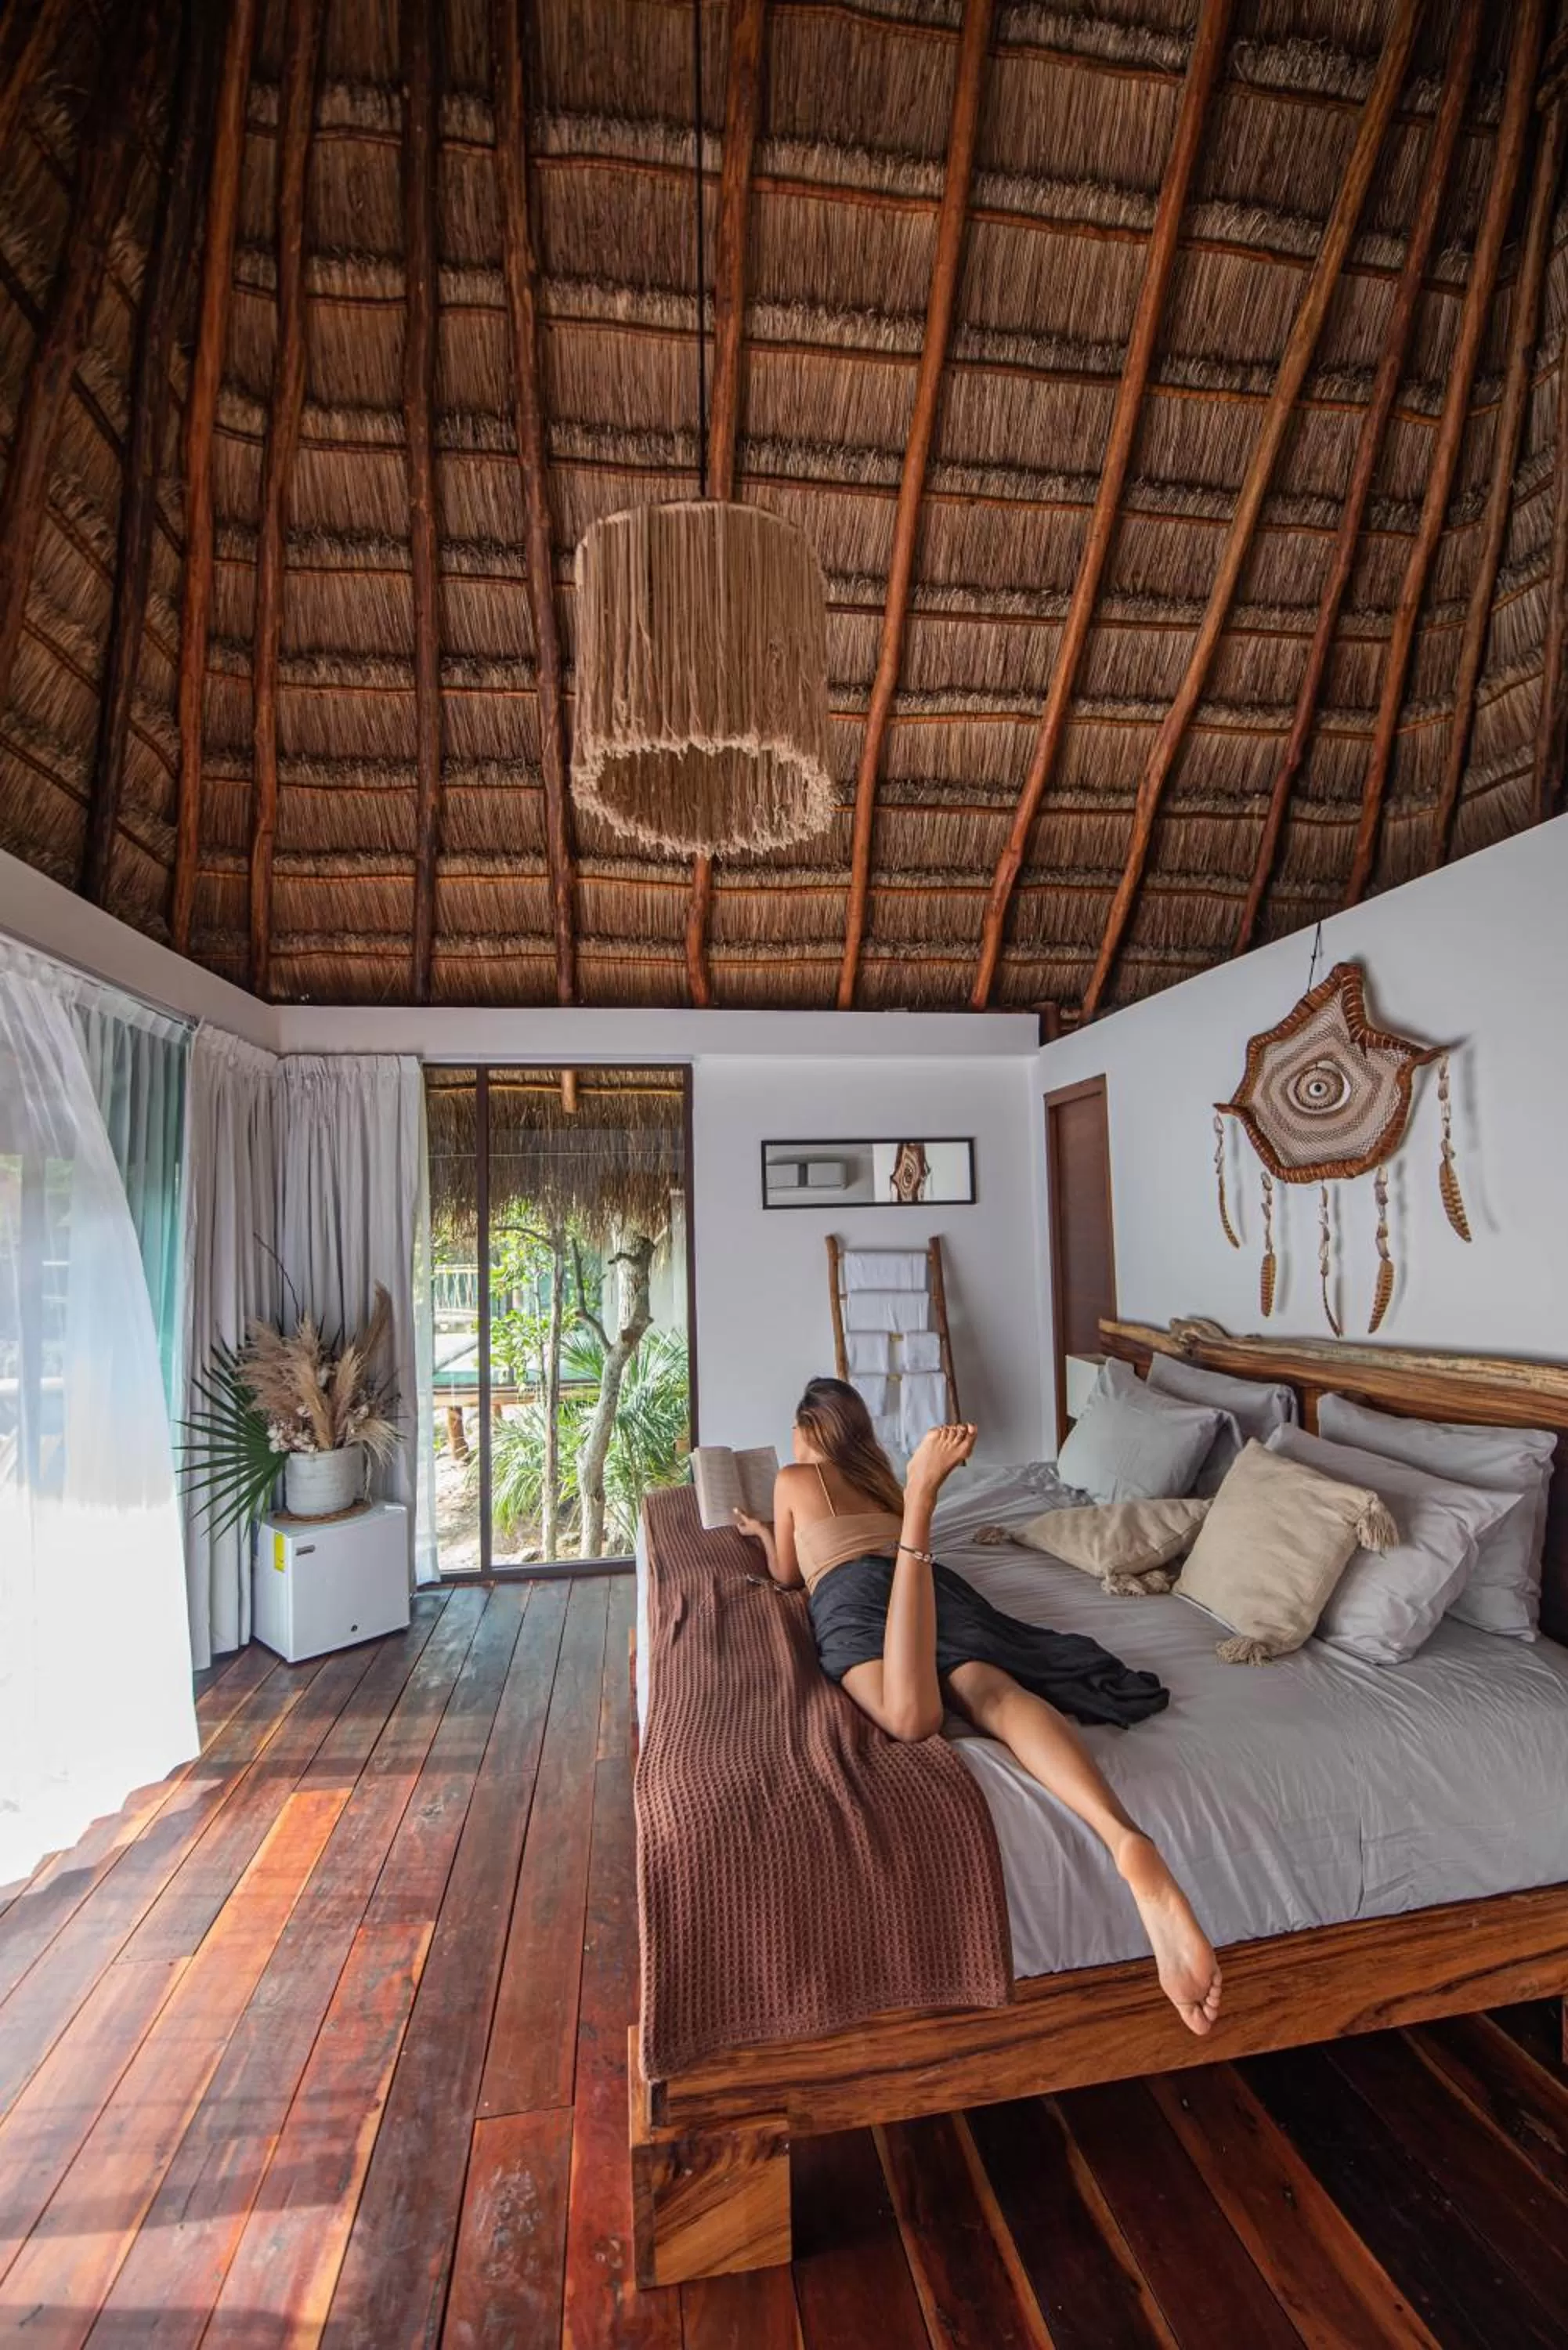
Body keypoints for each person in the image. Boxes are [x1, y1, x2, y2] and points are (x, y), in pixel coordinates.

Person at [734, 1376, 1223, 2036]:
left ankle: (926, 1503)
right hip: (928, 1586)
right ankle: (1122, 1837)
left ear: (806, 1431)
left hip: (854, 1595)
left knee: (910, 1717)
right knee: (995, 1691)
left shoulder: (795, 1478)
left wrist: (762, 1533)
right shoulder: (878, 1482)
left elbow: (788, 1577)